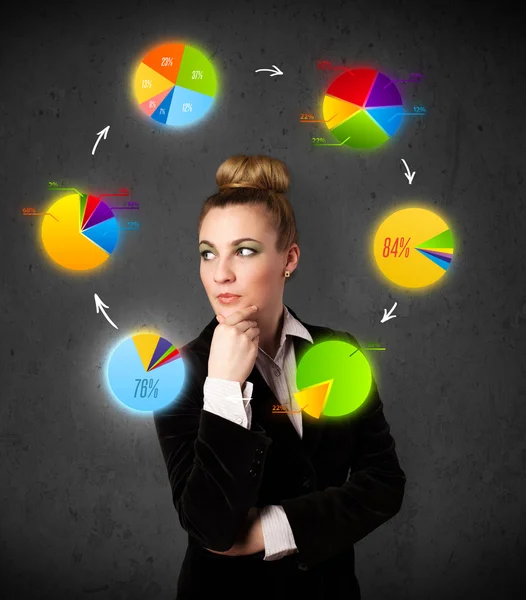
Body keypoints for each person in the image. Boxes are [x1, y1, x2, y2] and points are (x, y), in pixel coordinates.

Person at [153, 154, 406, 600]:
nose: (220, 274)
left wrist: (276, 528)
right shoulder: (175, 372)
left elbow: (385, 483)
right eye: (207, 253)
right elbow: (210, 527)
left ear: (289, 258)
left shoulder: (339, 351)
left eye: (244, 250)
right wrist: (225, 390)